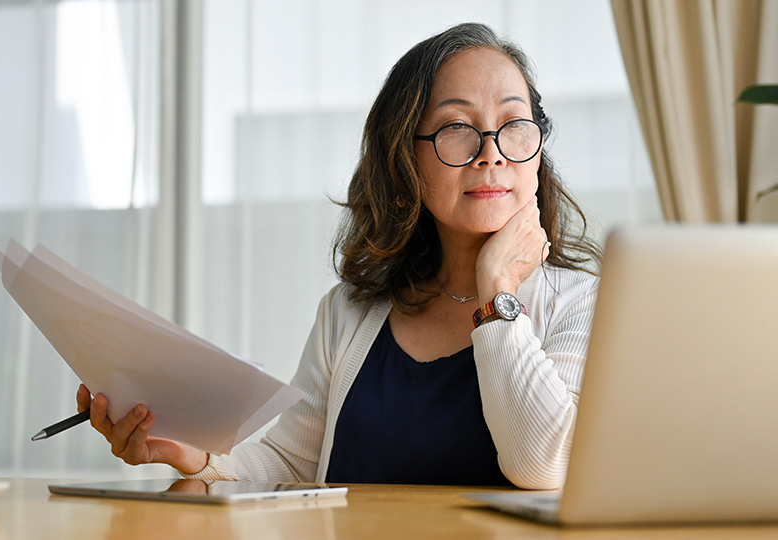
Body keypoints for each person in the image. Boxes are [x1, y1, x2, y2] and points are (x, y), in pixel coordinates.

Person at [76, 22, 601, 490]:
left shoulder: (581, 303)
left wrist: (497, 292)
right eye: (457, 128)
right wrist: (196, 458)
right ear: (407, 160)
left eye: (513, 124)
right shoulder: (348, 312)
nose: (491, 151)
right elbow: (289, 462)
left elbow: (543, 465)